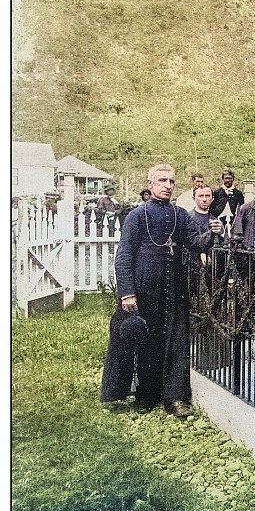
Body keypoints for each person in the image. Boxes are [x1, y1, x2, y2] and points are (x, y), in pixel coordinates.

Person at [100, 163, 222, 418]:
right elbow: (123, 257)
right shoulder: (137, 215)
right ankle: (147, 394)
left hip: (175, 290)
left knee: (176, 343)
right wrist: (127, 293)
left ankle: (175, 397)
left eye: (171, 181)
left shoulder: (180, 215)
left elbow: (195, 243)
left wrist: (212, 234)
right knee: (148, 342)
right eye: (162, 181)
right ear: (151, 184)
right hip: (144, 290)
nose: (167, 185)